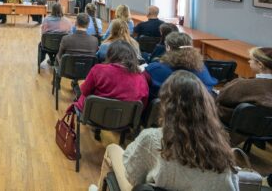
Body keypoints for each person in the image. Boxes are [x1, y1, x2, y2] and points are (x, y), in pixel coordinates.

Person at [98, 70, 238, 191]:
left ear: (166, 106)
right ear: (207, 107)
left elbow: (132, 176)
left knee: (112, 149)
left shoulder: (152, 139)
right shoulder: (222, 149)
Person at [216, 47, 272, 125]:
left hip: (244, 126)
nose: (249, 61)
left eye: (251, 59)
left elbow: (221, 97)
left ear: (260, 65)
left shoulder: (245, 84)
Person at [74, 41, 148, 112]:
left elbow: (85, 91)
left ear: (110, 54)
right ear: (132, 56)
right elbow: (143, 103)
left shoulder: (98, 69)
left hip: (94, 114)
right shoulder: (141, 77)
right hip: (126, 118)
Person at [144, 32, 216, 100]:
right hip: (198, 108)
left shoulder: (155, 69)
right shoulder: (202, 68)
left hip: (165, 107)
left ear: (168, 47)